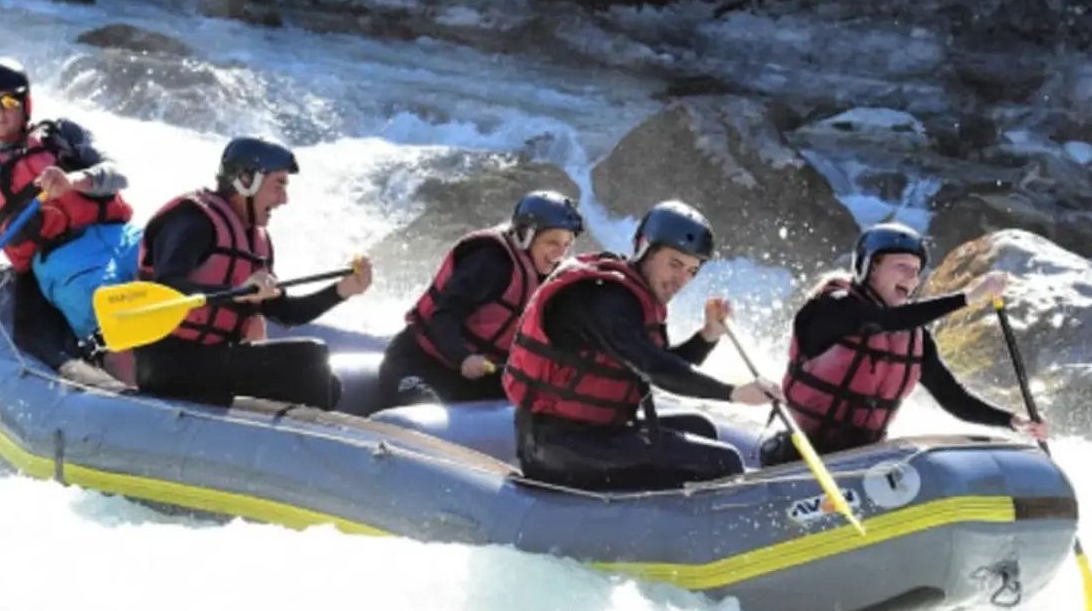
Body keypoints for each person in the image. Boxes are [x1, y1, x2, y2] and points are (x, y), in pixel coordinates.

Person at [502, 199, 782, 492]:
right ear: (644, 247)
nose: (681, 280)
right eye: (675, 263)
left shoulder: (633, 296)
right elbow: (654, 367)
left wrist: (707, 336)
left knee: (702, 428)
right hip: (556, 447)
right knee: (724, 462)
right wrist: (733, 393)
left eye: (691, 270)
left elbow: (660, 365)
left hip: (592, 433)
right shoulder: (604, 299)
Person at [759, 221, 1051, 467]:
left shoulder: (915, 337)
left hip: (857, 464)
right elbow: (882, 320)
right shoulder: (833, 308)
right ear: (870, 268)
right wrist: (967, 297)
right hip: (795, 455)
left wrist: (1014, 421)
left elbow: (953, 398)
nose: (912, 278)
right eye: (901, 267)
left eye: (916, 270)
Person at [132, 136, 373, 410]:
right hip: (169, 364)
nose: (284, 199)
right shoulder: (193, 222)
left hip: (213, 359)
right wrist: (237, 294)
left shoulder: (255, 240)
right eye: (278, 185)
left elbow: (285, 313)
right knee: (309, 357)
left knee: (328, 380)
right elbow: (168, 288)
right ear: (246, 181)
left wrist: (343, 290)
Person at [0, 58, 140, 341]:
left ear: (27, 104)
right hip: (63, 261)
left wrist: (73, 181)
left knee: (179, 261)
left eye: (9, 101)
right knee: (106, 310)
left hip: (120, 236)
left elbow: (118, 175)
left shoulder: (62, 134)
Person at [378, 190, 584, 406]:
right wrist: (463, 357)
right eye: (552, 242)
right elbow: (442, 316)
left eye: (566, 244)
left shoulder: (548, 279)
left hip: (470, 376)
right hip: (418, 362)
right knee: (425, 409)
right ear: (525, 236)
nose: (559, 254)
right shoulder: (490, 262)